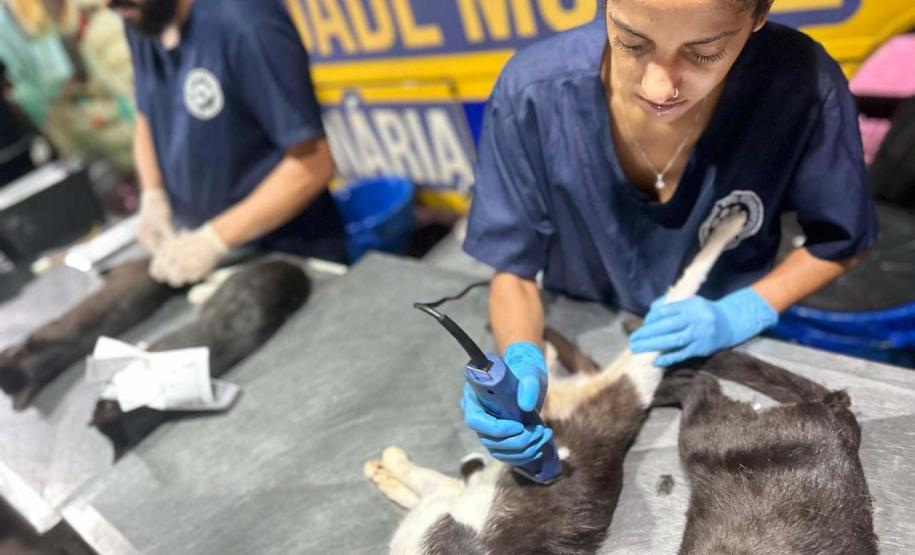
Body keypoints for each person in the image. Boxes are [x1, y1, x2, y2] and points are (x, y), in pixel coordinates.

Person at [460, 0, 878, 466]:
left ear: (756, 18)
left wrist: (743, 311)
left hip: (718, 352)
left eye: (703, 52)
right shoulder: (534, 94)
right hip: (582, 329)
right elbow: (513, 272)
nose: (659, 86)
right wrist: (520, 356)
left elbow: (842, 239)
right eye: (631, 42)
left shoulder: (801, 87)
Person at [109, 0, 348, 287]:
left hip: (288, 258)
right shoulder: (141, 15)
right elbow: (146, 112)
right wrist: (152, 192)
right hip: (206, 258)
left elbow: (314, 163)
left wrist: (214, 239)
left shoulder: (249, 23)